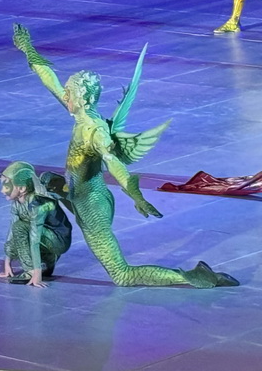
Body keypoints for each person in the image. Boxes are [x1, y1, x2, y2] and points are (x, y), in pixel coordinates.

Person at [13, 24, 239, 288]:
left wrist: (137, 197)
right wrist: (27, 48)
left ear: (83, 99)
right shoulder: (80, 113)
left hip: (91, 205)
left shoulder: (95, 132)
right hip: (76, 191)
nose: (65, 95)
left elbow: (115, 165)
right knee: (46, 181)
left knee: (121, 274)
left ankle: (195, 277)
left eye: (69, 93)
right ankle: (44, 263)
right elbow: (49, 78)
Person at [0, 161, 73, 286]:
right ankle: (48, 260)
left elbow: (34, 238)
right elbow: (12, 231)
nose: (2, 191)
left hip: (59, 240)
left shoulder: (39, 205)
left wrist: (36, 273)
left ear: (22, 188)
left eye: (6, 186)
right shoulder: (18, 202)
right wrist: (7, 263)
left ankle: (31, 271)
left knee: (20, 228)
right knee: (11, 246)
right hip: (45, 235)